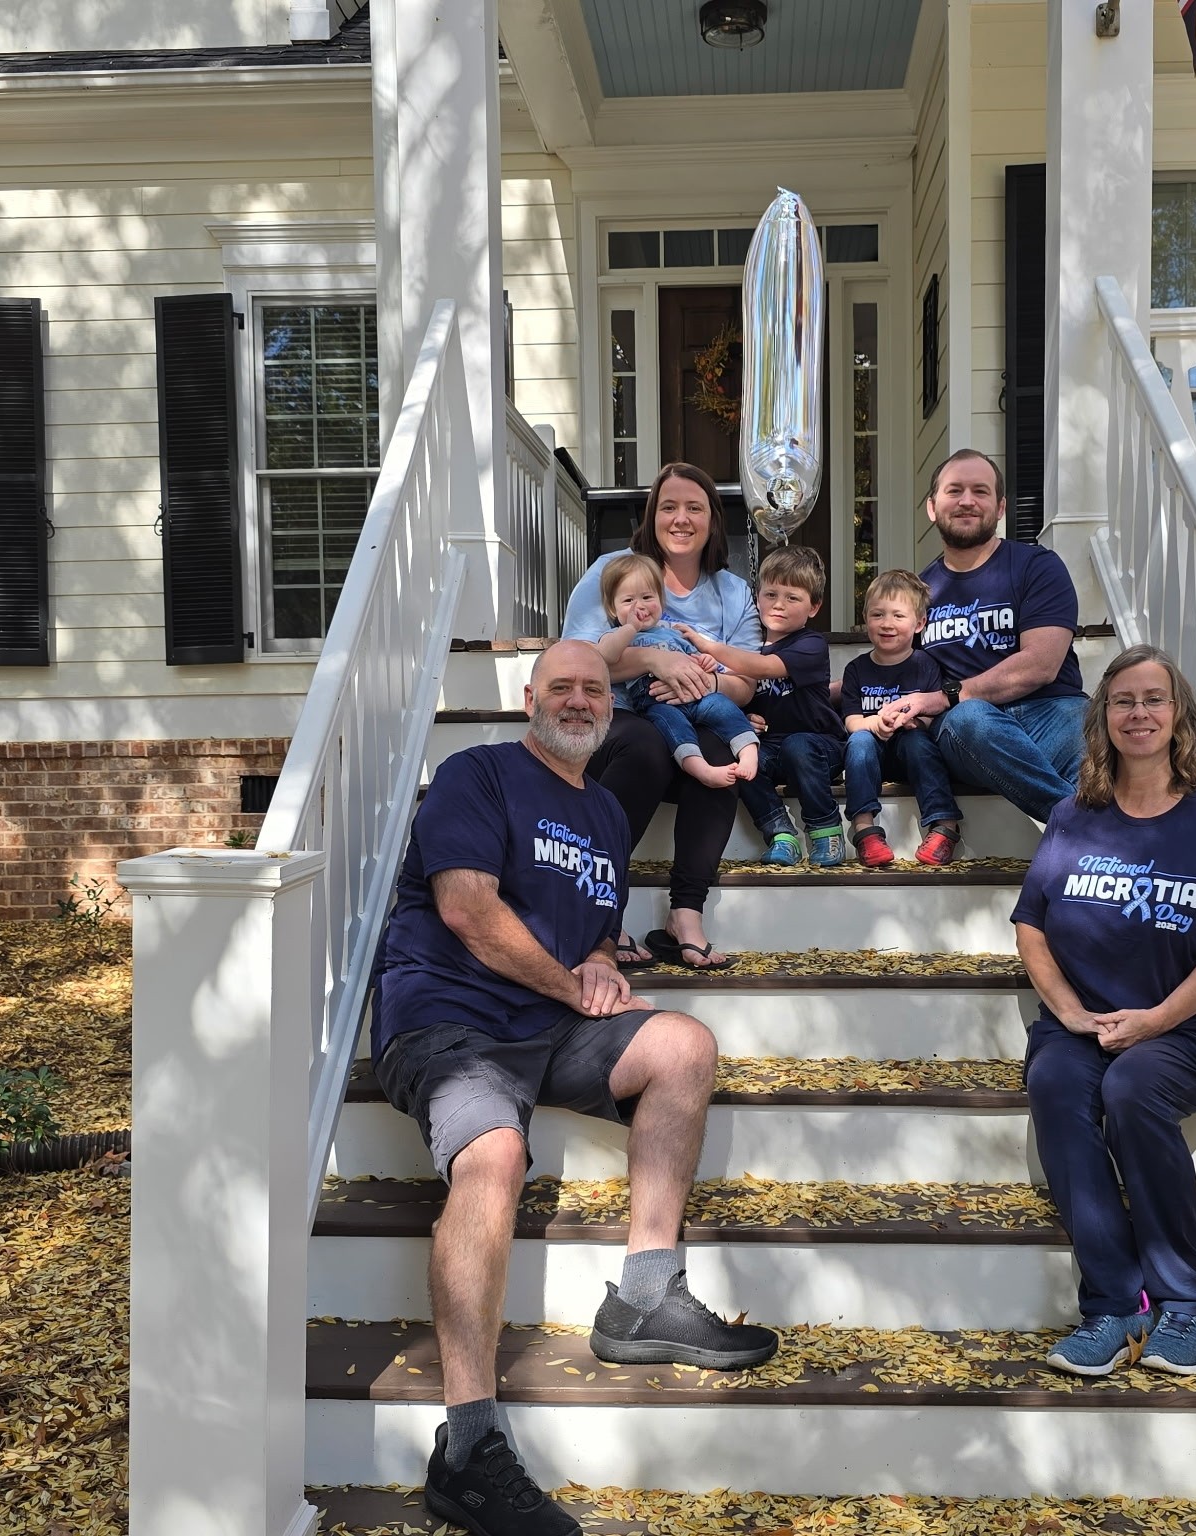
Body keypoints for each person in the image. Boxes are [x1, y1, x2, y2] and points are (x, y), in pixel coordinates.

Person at [371, 639, 779, 1536]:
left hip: (548, 1026)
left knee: (684, 1045)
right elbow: (467, 908)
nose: (580, 700)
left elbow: (595, 926)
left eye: (595, 689)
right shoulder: (477, 775)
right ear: (531, 699)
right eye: (562, 686)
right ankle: (467, 1447)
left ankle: (644, 1296)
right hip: (448, 1018)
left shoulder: (600, 810)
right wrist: (569, 984)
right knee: (494, 1154)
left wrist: (596, 963)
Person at [1012, 644, 1196, 1378]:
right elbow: (1031, 926)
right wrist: (1068, 1012)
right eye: (1123, 701)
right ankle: (1116, 1303)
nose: (1139, 714)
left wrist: (1155, 1020)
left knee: (1133, 1087)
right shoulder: (1074, 817)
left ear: (1178, 715)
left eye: (1154, 699)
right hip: (1087, 1024)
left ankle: (1189, 1302)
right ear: (1103, 718)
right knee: (1055, 1083)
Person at [562, 463, 761, 970]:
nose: (681, 518)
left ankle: (686, 915)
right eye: (668, 507)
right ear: (652, 517)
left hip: (694, 720)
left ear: (713, 520)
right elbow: (577, 661)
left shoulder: (733, 591)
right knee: (645, 745)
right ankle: (600, 912)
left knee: (720, 756)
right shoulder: (614, 569)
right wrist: (655, 659)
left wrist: (700, 680)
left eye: (694, 507)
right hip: (619, 715)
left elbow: (745, 681)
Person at [876, 448, 1087, 822]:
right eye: (954, 490)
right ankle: (1083, 825)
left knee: (1090, 726)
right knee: (970, 718)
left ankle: (1079, 840)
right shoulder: (918, 592)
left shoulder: (1037, 566)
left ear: (1000, 507)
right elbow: (892, 665)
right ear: (932, 507)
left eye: (980, 491)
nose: (967, 501)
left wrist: (949, 694)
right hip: (970, 731)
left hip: (1049, 711)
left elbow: (1041, 664)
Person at [673, 545, 847, 867]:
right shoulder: (750, 649)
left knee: (798, 745)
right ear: (757, 598)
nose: (779, 604)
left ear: (814, 606)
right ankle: (780, 834)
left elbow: (762, 668)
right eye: (771, 594)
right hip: (774, 747)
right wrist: (746, 716)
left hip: (821, 746)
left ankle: (826, 829)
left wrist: (708, 646)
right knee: (743, 763)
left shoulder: (810, 644)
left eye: (792, 597)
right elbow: (741, 689)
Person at [592, 552, 762, 790]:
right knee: (673, 726)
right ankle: (699, 767)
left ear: (661, 601)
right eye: (628, 601)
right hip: (656, 704)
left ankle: (748, 751)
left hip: (694, 696)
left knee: (724, 708)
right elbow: (605, 657)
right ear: (612, 608)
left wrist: (706, 662)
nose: (639, 606)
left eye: (647, 597)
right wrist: (630, 627)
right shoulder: (616, 636)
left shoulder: (672, 633)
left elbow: (694, 659)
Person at [840, 568, 963, 868]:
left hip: (912, 751)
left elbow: (934, 715)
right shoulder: (856, 670)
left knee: (918, 742)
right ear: (865, 618)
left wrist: (913, 723)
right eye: (877, 615)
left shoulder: (926, 665)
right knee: (858, 741)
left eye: (898, 615)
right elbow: (852, 721)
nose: (887, 624)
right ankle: (865, 830)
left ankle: (944, 825)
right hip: (872, 755)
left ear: (919, 623)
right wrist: (874, 724)